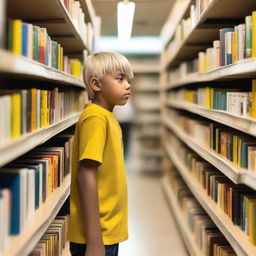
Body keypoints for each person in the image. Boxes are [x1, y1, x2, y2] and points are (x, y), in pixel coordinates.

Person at [68, 52, 134, 256]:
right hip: (98, 235)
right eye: (120, 78)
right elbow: (86, 175)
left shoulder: (107, 116)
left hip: (108, 229)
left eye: (128, 79)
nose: (128, 85)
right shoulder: (96, 118)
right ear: (96, 85)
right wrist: (95, 239)